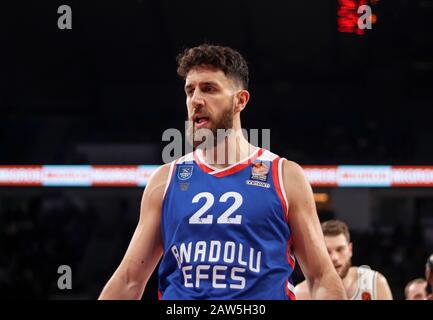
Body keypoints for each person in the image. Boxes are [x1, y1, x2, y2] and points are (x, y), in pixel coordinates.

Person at [98, 44, 347, 300]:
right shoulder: (165, 180)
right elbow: (129, 280)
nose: (195, 100)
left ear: (240, 100)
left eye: (209, 89)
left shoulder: (285, 176)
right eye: (189, 91)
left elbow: (321, 278)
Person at [295, 219, 393, 300]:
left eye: (340, 249)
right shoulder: (301, 293)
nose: (334, 258)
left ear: (350, 250)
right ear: (319, 253)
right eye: (327, 251)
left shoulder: (375, 283)